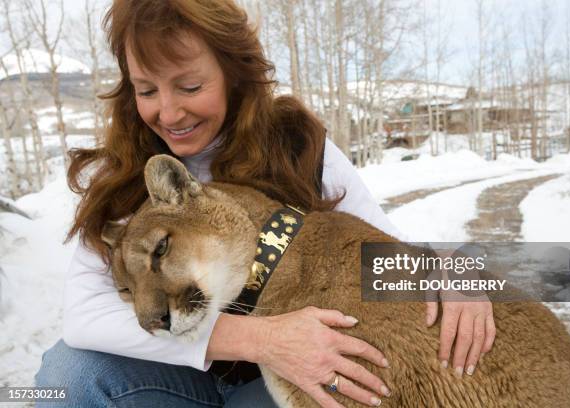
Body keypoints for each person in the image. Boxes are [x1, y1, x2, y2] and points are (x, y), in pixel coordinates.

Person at [35, 0, 496, 407]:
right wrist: (261, 339)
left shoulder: (296, 146)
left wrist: (458, 265)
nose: (169, 113)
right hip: (178, 376)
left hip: (280, 382)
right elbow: (84, 316)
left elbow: (381, 248)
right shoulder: (123, 173)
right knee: (64, 377)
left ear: (233, 75)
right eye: (147, 90)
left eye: (190, 87)